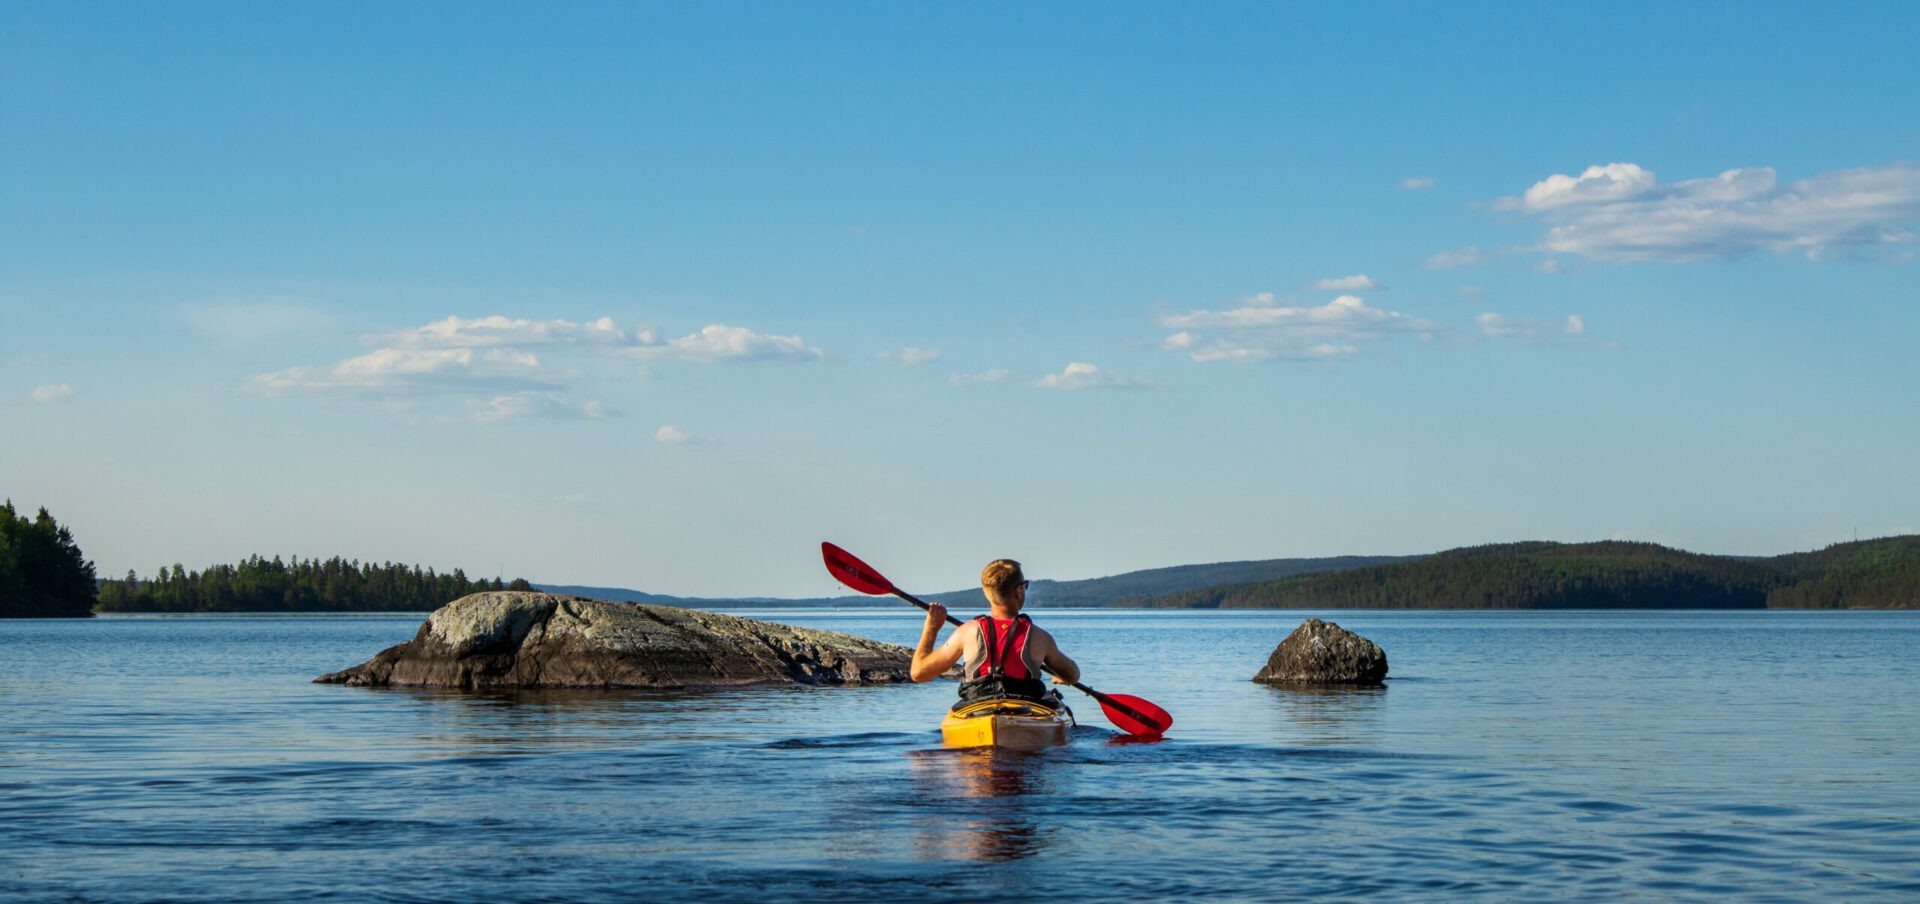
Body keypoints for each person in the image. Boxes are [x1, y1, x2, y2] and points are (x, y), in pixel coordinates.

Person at [910, 558, 1080, 705]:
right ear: (1019, 592)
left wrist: (931, 628)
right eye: (1024, 586)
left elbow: (919, 673)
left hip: (978, 709)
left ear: (987, 593)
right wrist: (1062, 676)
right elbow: (1073, 674)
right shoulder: (1039, 637)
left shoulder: (967, 632)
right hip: (1025, 711)